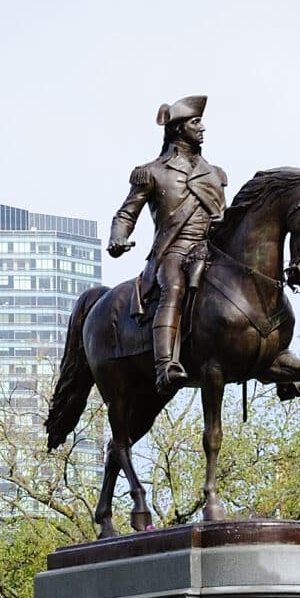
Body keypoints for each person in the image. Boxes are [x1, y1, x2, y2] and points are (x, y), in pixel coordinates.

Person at [114, 95, 229, 387]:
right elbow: (127, 213)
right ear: (179, 128)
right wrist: (119, 237)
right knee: (174, 288)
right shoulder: (152, 171)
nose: (203, 127)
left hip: (211, 250)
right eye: (196, 122)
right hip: (174, 250)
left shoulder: (214, 174)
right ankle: (165, 364)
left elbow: (224, 214)